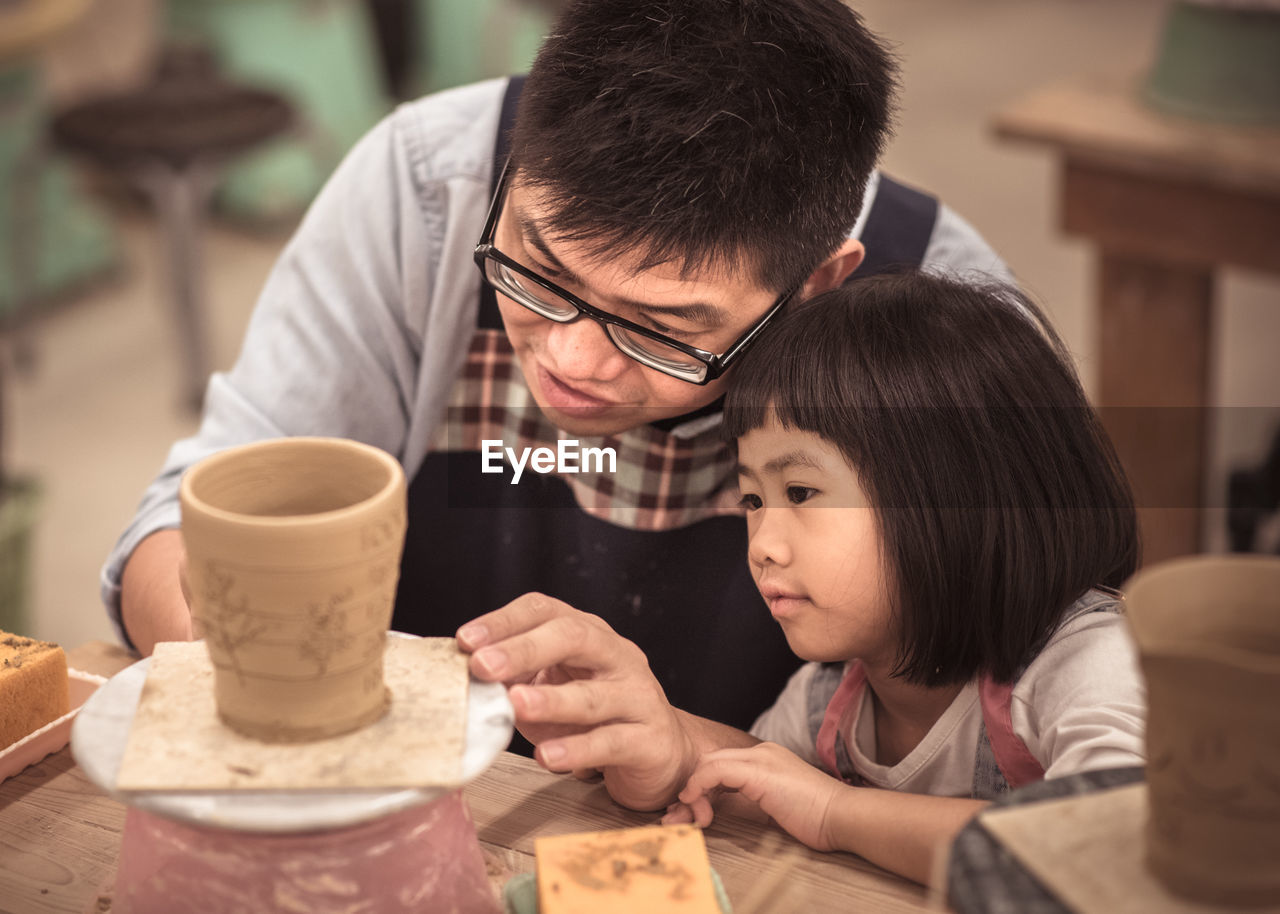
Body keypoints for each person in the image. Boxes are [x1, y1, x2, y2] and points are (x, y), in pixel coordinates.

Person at [103, 1, 1010, 750]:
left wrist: (689, 745)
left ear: (818, 284)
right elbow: (180, 525)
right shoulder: (425, 184)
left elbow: (994, 742)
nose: (573, 362)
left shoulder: (946, 318)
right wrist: (240, 639)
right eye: (541, 271)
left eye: (663, 328)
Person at [460, 272, 1145, 884]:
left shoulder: (1083, 665)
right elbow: (764, 793)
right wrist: (666, 761)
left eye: (803, 494)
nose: (764, 546)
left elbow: (1119, 846)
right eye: (754, 501)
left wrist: (842, 812)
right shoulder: (827, 701)